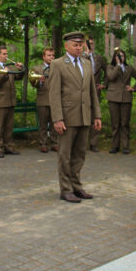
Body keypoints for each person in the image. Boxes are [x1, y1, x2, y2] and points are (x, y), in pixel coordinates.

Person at [49, 31, 102, 203]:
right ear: (66, 46)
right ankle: (65, 189)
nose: (79, 47)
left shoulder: (87, 64)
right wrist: (57, 118)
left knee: (79, 153)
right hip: (67, 117)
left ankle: (76, 186)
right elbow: (54, 93)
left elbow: (92, 92)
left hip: (84, 115)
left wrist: (97, 115)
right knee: (65, 155)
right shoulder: (57, 64)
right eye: (75, 45)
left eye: (81, 45)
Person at [0, 45, 24, 158]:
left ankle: (9, 147)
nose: (6, 56)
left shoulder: (10, 67)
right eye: (4, 54)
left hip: (11, 101)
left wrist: (21, 69)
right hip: (0, 101)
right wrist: (4, 73)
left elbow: (18, 78)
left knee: (9, 126)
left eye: (7, 54)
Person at [105, 48, 136, 154]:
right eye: (118, 56)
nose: (120, 58)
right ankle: (114, 146)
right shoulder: (110, 67)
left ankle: (125, 146)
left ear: (125, 57)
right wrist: (118, 65)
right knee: (115, 123)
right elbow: (111, 77)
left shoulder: (129, 68)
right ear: (114, 57)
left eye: (122, 56)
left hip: (126, 98)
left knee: (125, 123)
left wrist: (133, 88)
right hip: (113, 98)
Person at [30, 47, 58, 153]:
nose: (51, 57)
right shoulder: (37, 68)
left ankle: (54, 143)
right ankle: (43, 144)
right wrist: (40, 82)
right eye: (49, 55)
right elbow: (33, 84)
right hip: (42, 100)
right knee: (42, 124)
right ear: (43, 56)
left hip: (54, 100)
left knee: (54, 124)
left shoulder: (57, 67)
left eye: (52, 55)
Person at [83, 36, 106, 152]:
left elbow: (108, 71)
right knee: (83, 116)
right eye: (88, 43)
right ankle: (82, 142)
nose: (90, 45)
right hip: (83, 91)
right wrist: (86, 55)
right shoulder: (80, 57)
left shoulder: (98, 58)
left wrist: (104, 84)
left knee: (95, 116)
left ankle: (94, 143)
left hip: (95, 90)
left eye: (92, 43)